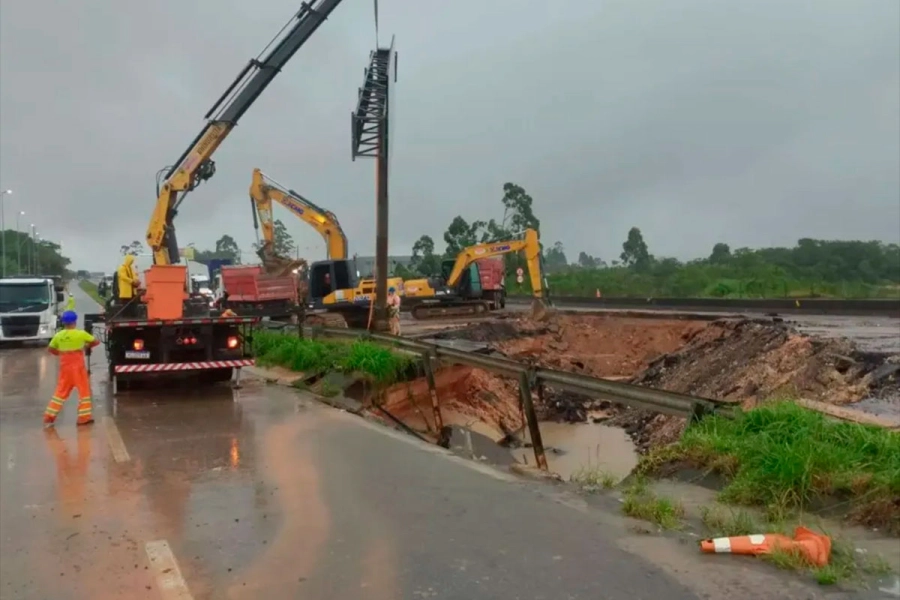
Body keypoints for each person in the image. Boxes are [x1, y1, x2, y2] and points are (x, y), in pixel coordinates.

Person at [44, 310, 100, 426]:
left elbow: (51, 349)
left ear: (63, 322)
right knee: (84, 393)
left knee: (60, 393)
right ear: (75, 321)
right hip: (78, 369)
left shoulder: (58, 335)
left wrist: (60, 353)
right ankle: (83, 418)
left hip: (65, 369)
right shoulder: (80, 334)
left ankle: (49, 417)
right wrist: (85, 346)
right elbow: (95, 342)